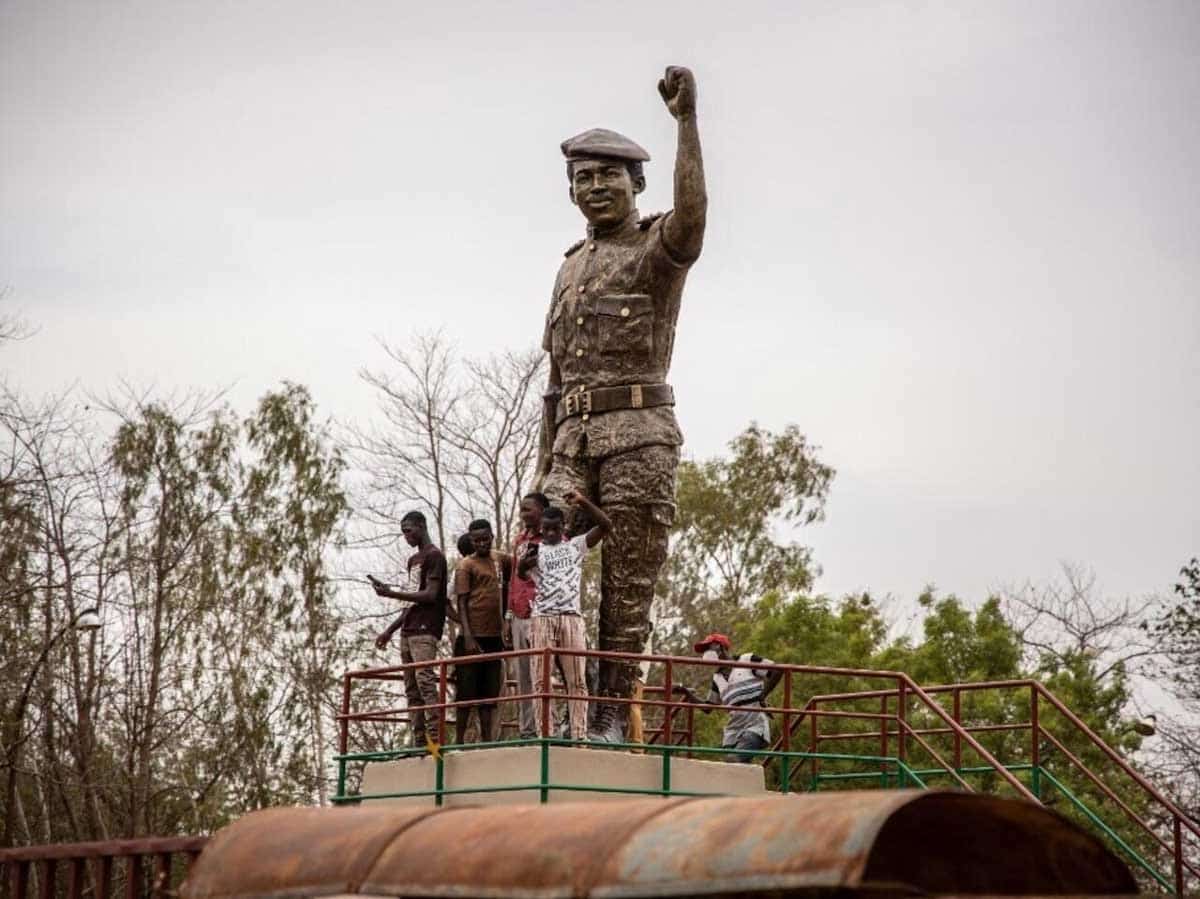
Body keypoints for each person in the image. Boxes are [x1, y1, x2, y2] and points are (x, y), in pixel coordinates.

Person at [534, 66, 707, 743]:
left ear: (636, 183)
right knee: (541, 556)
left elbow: (693, 220)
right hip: (570, 439)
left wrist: (686, 123)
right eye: (583, 177)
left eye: (609, 175)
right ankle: (556, 704)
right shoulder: (570, 266)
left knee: (628, 590)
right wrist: (541, 462)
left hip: (638, 434)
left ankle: (609, 717)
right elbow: (552, 376)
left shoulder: (655, 248)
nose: (595, 186)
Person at [517, 489, 610, 741]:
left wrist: (582, 501)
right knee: (541, 681)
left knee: (576, 680)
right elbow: (521, 575)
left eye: (554, 529)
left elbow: (605, 525)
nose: (549, 534)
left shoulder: (575, 546)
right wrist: (524, 565)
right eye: (545, 529)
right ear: (541, 527)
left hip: (571, 617)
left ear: (562, 527)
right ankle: (544, 735)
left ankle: (579, 735)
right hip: (543, 618)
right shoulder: (533, 549)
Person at [370, 511, 448, 749]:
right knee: (411, 689)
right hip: (408, 628)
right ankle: (418, 742)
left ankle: (434, 741)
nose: (406, 536)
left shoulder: (435, 557)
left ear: (422, 527)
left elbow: (430, 595)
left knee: (425, 683)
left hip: (426, 628)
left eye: (409, 530)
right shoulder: (413, 561)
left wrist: (391, 593)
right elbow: (410, 601)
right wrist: (390, 630)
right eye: (403, 531)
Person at [453, 519, 512, 744]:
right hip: (472, 636)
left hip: (494, 637)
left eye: (485, 539)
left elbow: (517, 566)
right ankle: (459, 740)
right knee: (466, 693)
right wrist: (467, 634)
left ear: (492, 537)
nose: (481, 544)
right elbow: (462, 601)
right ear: (471, 540)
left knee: (489, 695)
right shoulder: (466, 565)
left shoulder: (499, 559)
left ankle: (487, 740)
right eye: (476, 540)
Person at [682, 634, 782, 763]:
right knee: (733, 768)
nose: (706, 653)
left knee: (734, 760)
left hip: (754, 725)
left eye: (708, 648)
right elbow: (708, 708)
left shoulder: (747, 660)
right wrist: (685, 692)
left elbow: (777, 671)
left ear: (720, 647)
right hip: (733, 730)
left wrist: (763, 695)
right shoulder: (717, 678)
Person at [503, 492, 547, 739]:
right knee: (523, 676)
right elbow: (513, 580)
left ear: (541, 510)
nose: (523, 514)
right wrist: (508, 615)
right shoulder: (519, 540)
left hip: (540, 613)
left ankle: (544, 727)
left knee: (541, 674)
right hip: (519, 613)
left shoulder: (551, 540)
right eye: (521, 510)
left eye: (528, 509)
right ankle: (527, 730)